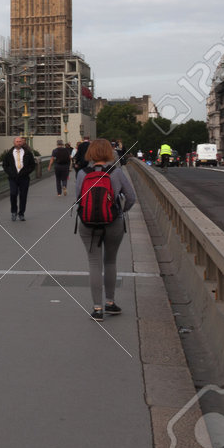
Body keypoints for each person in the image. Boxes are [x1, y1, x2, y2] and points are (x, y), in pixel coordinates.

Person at [73, 138, 138, 322]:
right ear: (109, 152)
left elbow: (79, 198)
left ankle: (97, 308)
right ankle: (110, 302)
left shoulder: (82, 173)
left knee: (94, 263)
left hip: (88, 224)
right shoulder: (116, 172)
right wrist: (119, 212)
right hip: (113, 222)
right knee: (110, 261)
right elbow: (131, 198)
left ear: (90, 153)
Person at [1, 136, 36, 221]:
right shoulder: (9, 154)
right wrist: (10, 173)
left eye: (20, 141)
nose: (18, 143)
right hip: (13, 177)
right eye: (17, 141)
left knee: (23, 196)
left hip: (24, 177)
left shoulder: (27, 153)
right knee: (13, 194)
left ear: (22, 142)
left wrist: (26, 172)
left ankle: (21, 213)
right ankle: (13, 211)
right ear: (14, 143)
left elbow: (32, 165)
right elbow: (5, 165)